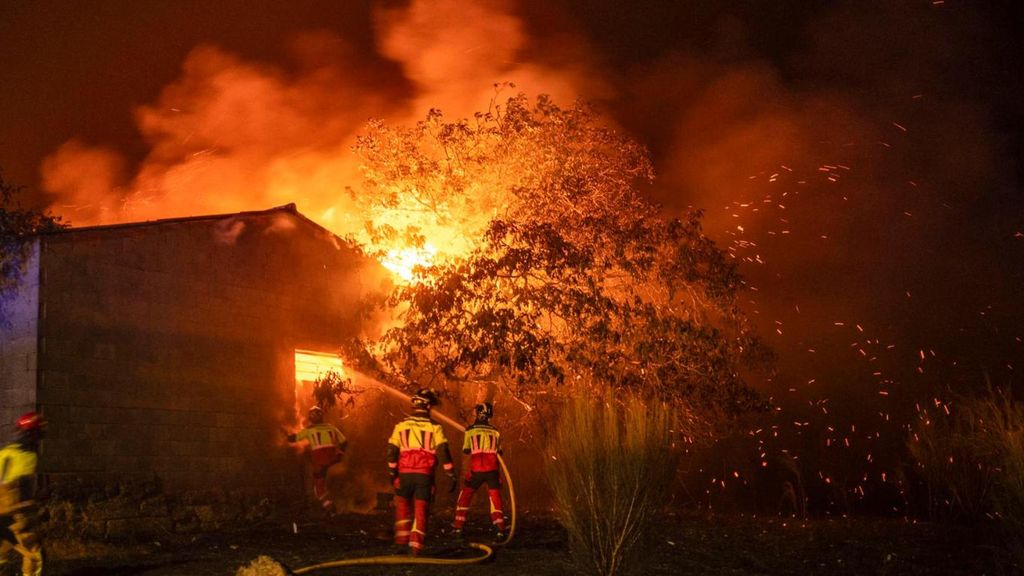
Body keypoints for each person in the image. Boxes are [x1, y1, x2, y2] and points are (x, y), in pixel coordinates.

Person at [386, 388, 456, 556]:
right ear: (428, 406)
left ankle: (401, 544)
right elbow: (443, 450)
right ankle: (415, 547)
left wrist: (392, 472)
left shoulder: (400, 426)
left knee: (402, 508)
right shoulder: (435, 427)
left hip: (404, 475)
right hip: (424, 476)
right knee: (421, 510)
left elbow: (391, 450)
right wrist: (451, 473)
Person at [452, 402, 506, 540]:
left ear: (477, 413)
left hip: (476, 472)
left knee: (465, 496)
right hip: (492, 472)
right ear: (490, 415)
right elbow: (499, 452)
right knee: (495, 499)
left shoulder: (470, 430)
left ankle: (458, 527)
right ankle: (500, 529)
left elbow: (466, 450)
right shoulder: (496, 432)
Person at [0, 412, 45, 576]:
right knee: (33, 552)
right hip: (14, 511)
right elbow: (22, 491)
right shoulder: (28, 456)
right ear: (31, 433)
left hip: (6, 511)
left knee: (3, 549)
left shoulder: (6, 452)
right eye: (38, 433)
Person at [287, 406, 347, 513]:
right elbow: (344, 443)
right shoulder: (332, 428)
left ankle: (329, 508)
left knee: (319, 487)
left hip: (320, 463)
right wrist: (340, 456)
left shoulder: (309, 430)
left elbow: (293, 439)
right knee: (336, 483)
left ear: (310, 418)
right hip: (335, 460)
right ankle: (343, 505)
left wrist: (287, 436)